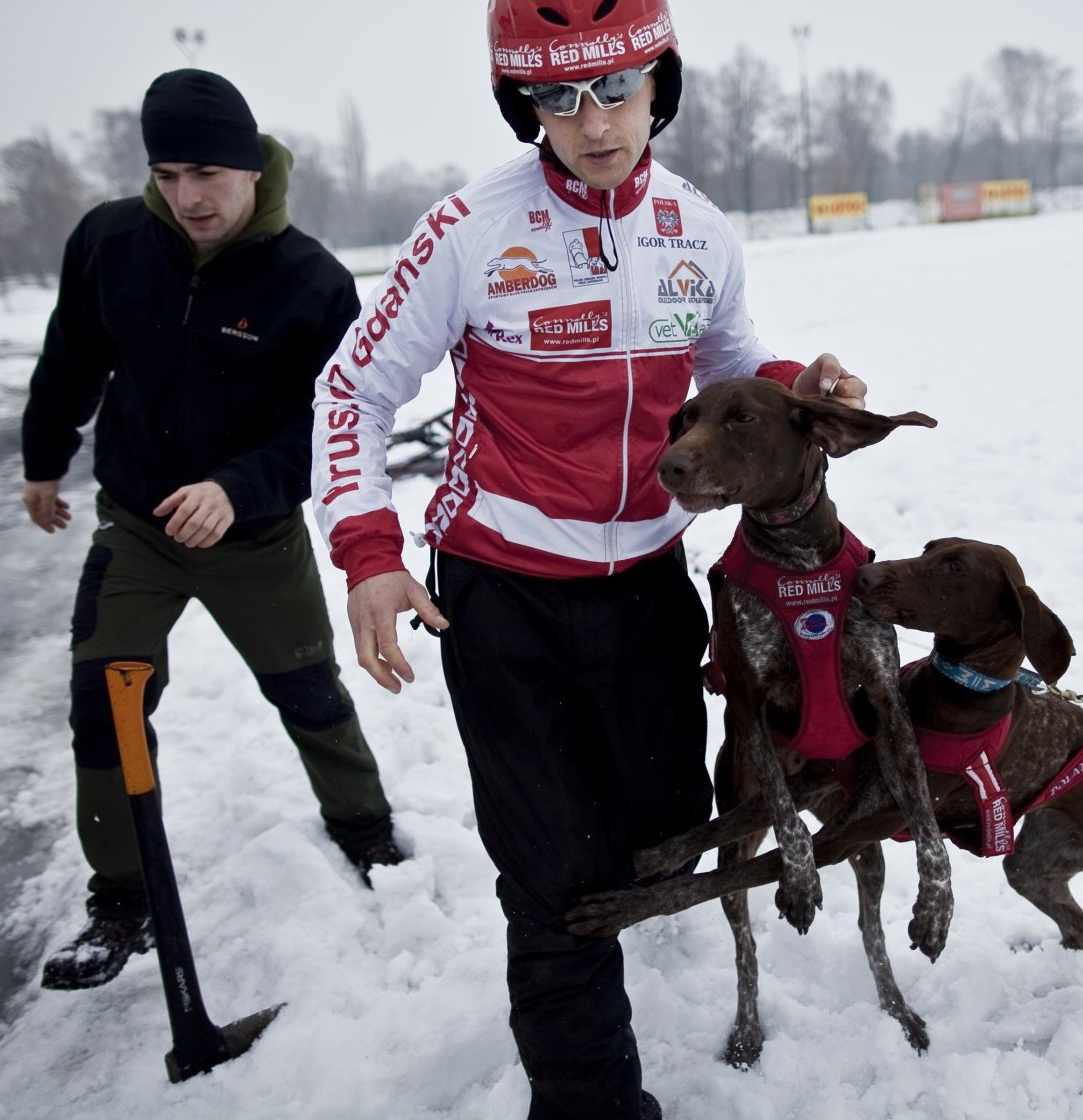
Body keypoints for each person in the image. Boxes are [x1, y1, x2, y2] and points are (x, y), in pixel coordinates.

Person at [311, 3, 865, 1116]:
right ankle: (587, 1096)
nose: (592, 121)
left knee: (661, 825)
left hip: (649, 586)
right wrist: (370, 553)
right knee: (553, 876)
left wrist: (806, 382)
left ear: (662, 82)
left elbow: (735, 359)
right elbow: (351, 391)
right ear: (525, 105)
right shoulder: (470, 228)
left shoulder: (698, 231)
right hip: (501, 590)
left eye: (614, 86)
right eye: (557, 97)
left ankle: (605, 887)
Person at [23, 68, 403, 992]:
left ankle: (368, 834)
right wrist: (43, 456)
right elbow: (72, 351)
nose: (186, 197)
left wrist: (240, 487)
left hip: (256, 540)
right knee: (103, 708)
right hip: (137, 530)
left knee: (310, 695)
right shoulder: (112, 241)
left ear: (251, 167)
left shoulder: (310, 282)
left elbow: (331, 425)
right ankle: (120, 902)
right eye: (167, 174)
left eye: (206, 174)